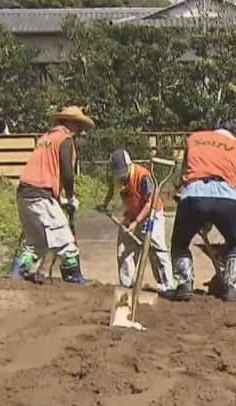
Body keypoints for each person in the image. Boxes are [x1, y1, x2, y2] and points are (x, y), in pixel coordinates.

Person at [15, 106, 94, 285]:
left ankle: (18, 272)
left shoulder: (45, 138)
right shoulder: (65, 140)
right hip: (40, 194)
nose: (79, 129)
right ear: (66, 122)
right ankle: (72, 276)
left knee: (35, 243)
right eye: (77, 124)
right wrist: (71, 196)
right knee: (65, 241)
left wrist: (60, 198)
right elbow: (67, 172)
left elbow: (45, 170)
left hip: (25, 193)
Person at [171, 120, 236, 302]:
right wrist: (217, 215)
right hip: (226, 198)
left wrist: (201, 217)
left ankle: (184, 285)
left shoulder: (194, 139)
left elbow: (185, 171)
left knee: (180, 243)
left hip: (193, 195)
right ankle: (233, 288)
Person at [97, 149, 173, 295]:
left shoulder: (143, 176)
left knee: (156, 249)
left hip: (151, 214)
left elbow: (150, 201)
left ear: (129, 165)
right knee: (124, 248)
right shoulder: (116, 176)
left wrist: (136, 223)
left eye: (123, 173)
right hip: (132, 213)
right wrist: (105, 204)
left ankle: (167, 286)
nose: (121, 177)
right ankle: (127, 286)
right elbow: (112, 188)